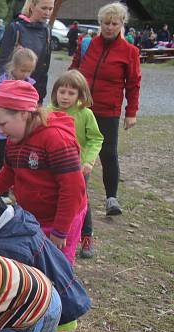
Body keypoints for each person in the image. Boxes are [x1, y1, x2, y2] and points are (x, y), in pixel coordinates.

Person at [0, 183, 92, 332]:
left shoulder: (10, 250)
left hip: (52, 311)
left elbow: (9, 296)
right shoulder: (19, 218)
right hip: (66, 293)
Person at [0, 80, 87, 265]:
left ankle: (60, 293)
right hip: (35, 216)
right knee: (36, 260)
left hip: (62, 218)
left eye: (3, 124)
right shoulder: (15, 139)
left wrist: (60, 230)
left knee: (58, 264)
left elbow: (73, 189)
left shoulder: (56, 139)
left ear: (24, 114)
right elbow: (8, 172)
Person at [70, 2, 141, 217]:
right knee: (75, 150)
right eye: (105, 23)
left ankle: (111, 198)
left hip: (108, 110)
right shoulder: (86, 44)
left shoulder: (130, 51)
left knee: (108, 153)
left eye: (114, 23)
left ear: (122, 24)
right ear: (99, 23)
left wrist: (131, 112)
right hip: (81, 108)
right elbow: (73, 70)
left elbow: (133, 83)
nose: (109, 27)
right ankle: (73, 192)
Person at [48, 70, 104, 259]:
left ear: (80, 95)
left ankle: (86, 236)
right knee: (56, 201)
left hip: (77, 168)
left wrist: (88, 161)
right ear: (55, 92)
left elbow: (96, 139)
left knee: (79, 203)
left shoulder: (85, 114)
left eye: (71, 93)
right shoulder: (47, 112)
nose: (65, 97)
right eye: (62, 91)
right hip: (52, 169)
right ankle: (54, 234)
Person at [0, 47, 38, 173]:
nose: (26, 75)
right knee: (2, 161)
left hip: (20, 132)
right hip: (2, 133)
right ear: (14, 66)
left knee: (19, 159)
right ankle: (2, 191)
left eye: (29, 71)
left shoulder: (29, 86)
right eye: (23, 70)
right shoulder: (2, 86)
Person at [0, 0, 54, 102]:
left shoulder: (47, 31)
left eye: (50, 9)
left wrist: (40, 97)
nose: (47, 13)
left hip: (33, 93)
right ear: (32, 6)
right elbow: (1, 62)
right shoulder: (15, 28)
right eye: (44, 8)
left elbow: (44, 67)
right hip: (11, 91)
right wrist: (2, 90)